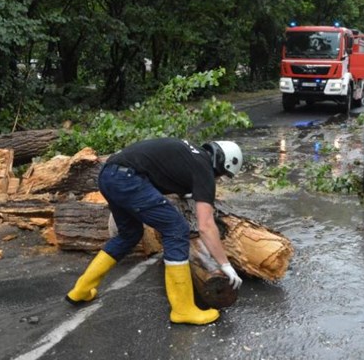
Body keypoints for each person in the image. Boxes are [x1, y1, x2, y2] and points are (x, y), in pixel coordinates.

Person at [65, 138, 243, 325]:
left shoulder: (191, 155)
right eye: (222, 175)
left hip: (108, 174)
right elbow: (206, 226)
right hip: (127, 179)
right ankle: (183, 309)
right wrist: (225, 265)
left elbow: (167, 173)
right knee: (176, 229)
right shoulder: (204, 169)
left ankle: (81, 290)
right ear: (222, 164)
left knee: (129, 235)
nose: (218, 180)